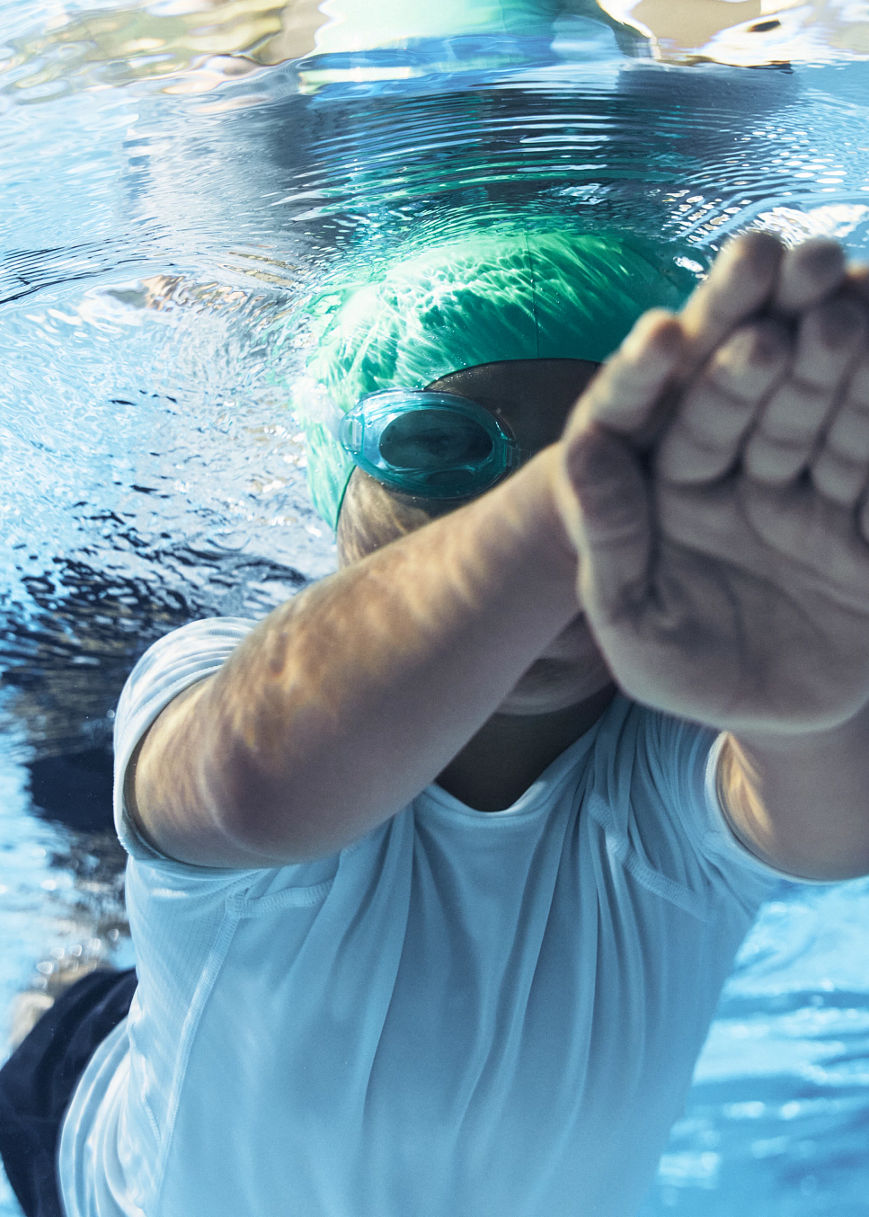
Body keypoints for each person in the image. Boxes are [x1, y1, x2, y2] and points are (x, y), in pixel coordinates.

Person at [3, 223, 869, 1217]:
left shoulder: (674, 762)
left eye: (621, 472)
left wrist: (814, 710)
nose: (554, 528)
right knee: (67, 978)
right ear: (335, 482)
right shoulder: (214, 669)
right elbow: (252, 780)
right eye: (441, 445)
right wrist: (575, 502)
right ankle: (83, 929)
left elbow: (826, 826)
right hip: (92, 1155)